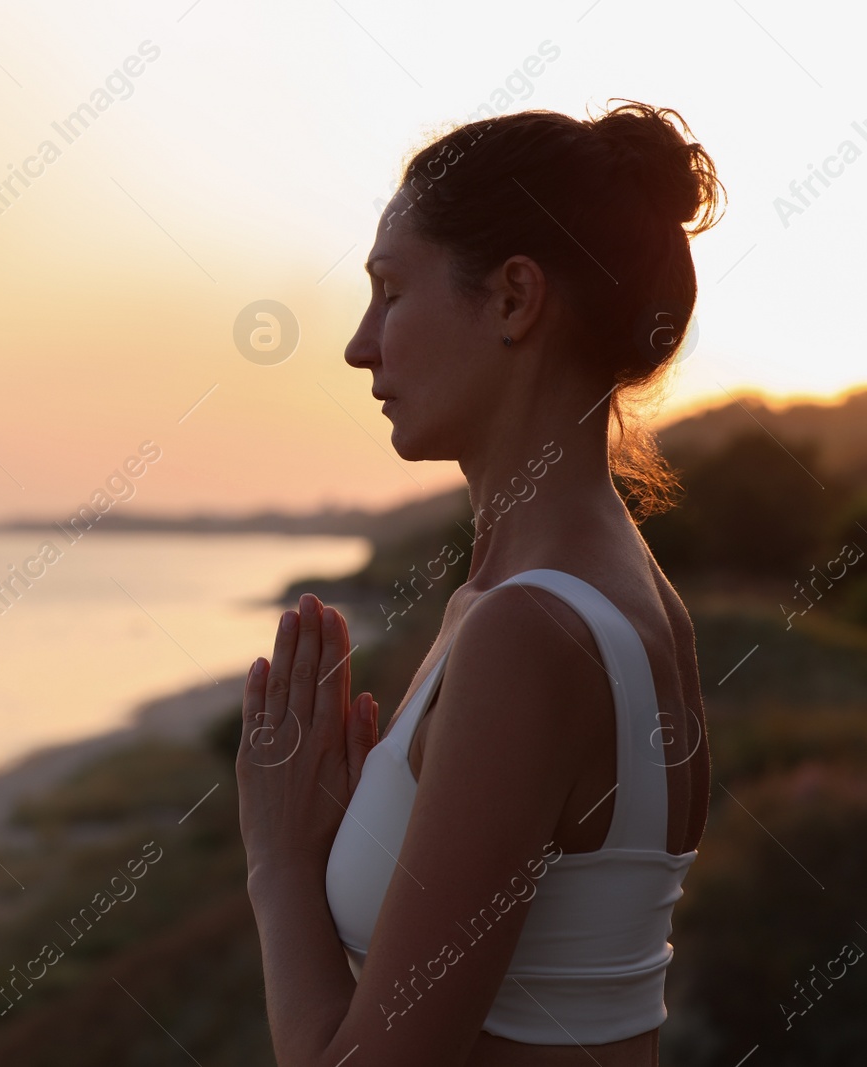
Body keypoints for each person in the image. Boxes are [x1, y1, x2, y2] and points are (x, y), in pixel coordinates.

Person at [236, 100, 723, 1066]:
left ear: (512, 299)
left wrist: (282, 862)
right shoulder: (605, 597)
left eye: (389, 291)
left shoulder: (530, 630)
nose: (359, 344)